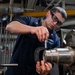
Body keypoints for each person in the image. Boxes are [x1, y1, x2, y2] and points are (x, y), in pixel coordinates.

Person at [5, 6, 67, 75]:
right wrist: (33, 29)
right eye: (55, 18)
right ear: (48, 13)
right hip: (15, 72)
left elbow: (52, 62)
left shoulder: (56, 40)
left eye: (59, 23)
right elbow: (10, 27)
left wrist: (47, 67)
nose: (55, 23)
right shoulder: (29, 21)